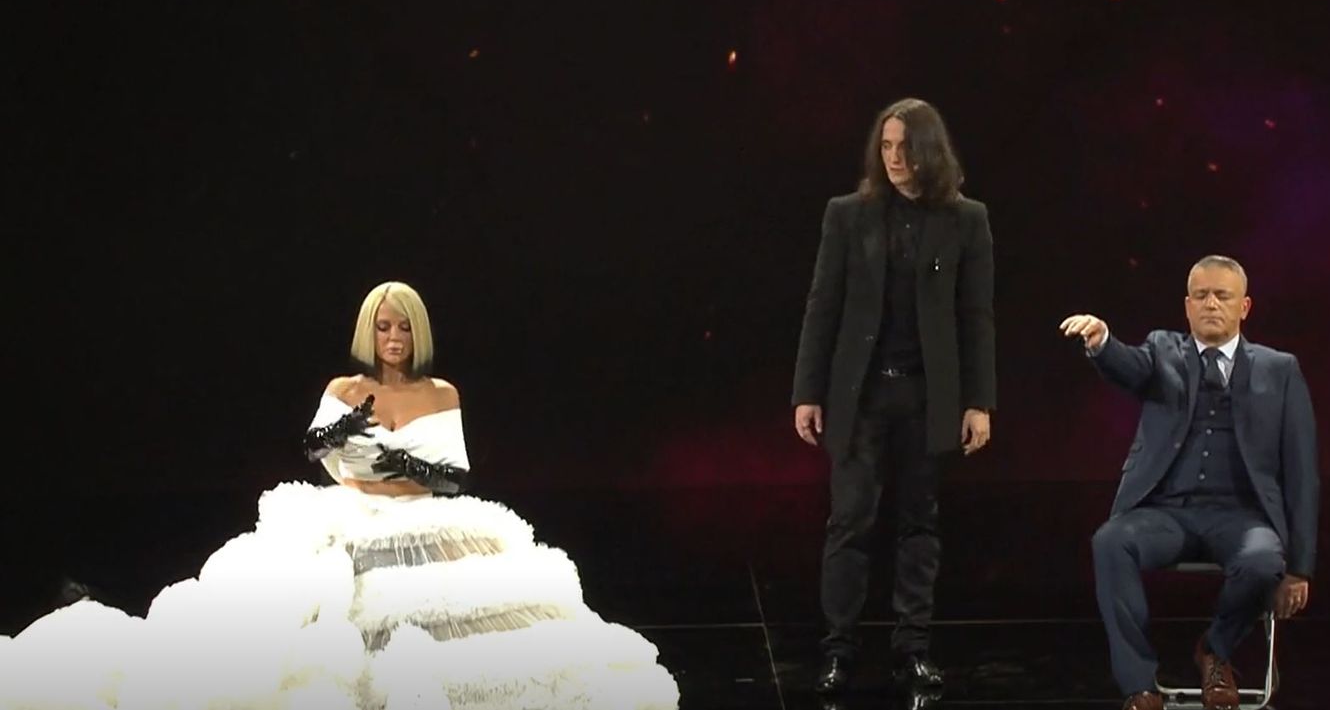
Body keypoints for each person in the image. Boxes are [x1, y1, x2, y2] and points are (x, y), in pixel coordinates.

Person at [0, 281, 680, 710]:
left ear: (418, 332)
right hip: (350, 511)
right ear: (368, 331)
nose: (393, 338)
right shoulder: (346, 389)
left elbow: (453, 475)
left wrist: (398, 463)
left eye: (403, 326)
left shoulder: (440, 393)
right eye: (383, 326)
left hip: (421, 516)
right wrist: (353, 440)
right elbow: (317, 451)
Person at [791, 97, 997, 696]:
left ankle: (913, 649)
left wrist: (979, 402)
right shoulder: (848, 214)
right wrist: (807, 392)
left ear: (930, 150)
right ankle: (838, 649)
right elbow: (822, 307)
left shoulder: (967, 219)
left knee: (918, 524)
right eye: (886, 146)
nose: (895, 157)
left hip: (927, 399)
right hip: (859, 398)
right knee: (849, 522)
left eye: (905, 146)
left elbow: (976, 316)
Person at [1059, 256, 1318, 710]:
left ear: (1245, 306)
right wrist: (1103, 343)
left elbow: (1301, 472)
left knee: (1262, 561)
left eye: (1223, 296)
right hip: (1167, 514)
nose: (1211, 304)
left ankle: (1215, 651)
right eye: (1201, 296)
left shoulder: (1280, 369)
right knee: (1111, 542)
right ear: (1187, 305)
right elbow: (1128, 366)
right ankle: (1139, 683)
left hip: (1241, 517)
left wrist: (1300, 567)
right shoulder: (1162, 350)